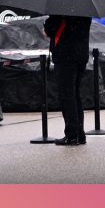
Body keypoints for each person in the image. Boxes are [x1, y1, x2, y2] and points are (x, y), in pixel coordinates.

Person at [43, 13, 92, 146]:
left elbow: (50, 28)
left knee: (67, 94)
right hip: (80, 54)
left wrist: (47, 27)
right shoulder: (84, 10)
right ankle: (79, 133)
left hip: (66, 54)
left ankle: (72, 134)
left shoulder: (62, 9)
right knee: (75, 94)